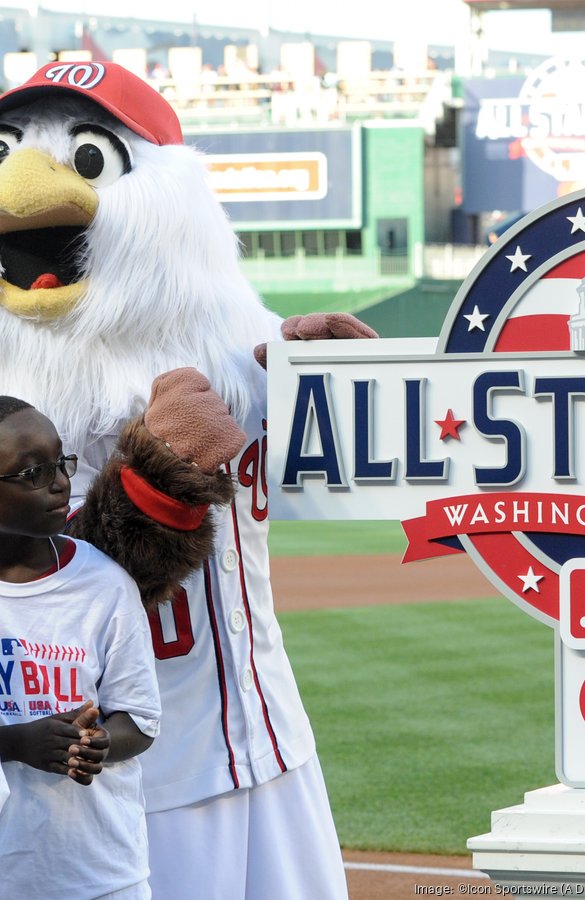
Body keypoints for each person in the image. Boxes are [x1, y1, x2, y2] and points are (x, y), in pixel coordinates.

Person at [0, 62, 372, 899]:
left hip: (270, 737)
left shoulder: (242, 338)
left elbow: (346, 464)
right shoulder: (13, 393)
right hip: (124, 777)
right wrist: (149, 495)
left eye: (89, 156)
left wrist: (339, 384)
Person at [0, 396, 160, 899]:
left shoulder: (104, 585)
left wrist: (101, 743)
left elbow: (139, 718)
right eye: (31, 473)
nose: (60, 482)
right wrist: (16, 743)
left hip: (99, 870)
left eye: (61, 461)